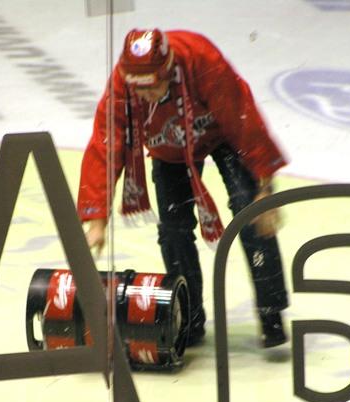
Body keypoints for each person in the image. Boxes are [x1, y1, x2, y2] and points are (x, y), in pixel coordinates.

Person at [77, 28, 289, 348]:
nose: (144, 94)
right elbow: (106, 145)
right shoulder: (124, 83)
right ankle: (189, 319)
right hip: (169, 145)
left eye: (152, 86)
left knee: (251, 211)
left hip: (220, 133)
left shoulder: (203, 61)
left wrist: (266, 190)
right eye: (138, 88)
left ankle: (271, 312)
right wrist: (97, 220)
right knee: (173, 231)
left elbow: (243, 120)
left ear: (169, 70)